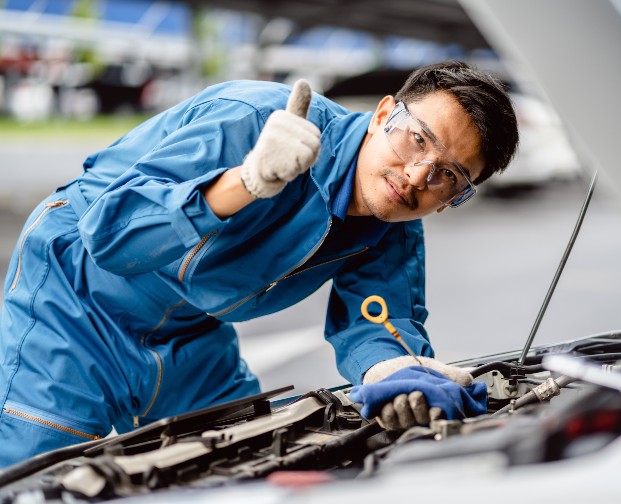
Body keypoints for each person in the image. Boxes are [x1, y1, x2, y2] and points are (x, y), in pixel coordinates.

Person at [0, 60, 518, 468]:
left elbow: (380, 323)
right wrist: (246, 181)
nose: (417, 176)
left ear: (458, 196)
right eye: (417, 140)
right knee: (39, 472)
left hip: (190, 329)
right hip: (75, 297)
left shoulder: (393, 227)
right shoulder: (256, 118)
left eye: (449, 176)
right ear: (385, 114)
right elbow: (111, 234)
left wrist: (398, 371)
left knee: (248, 456)